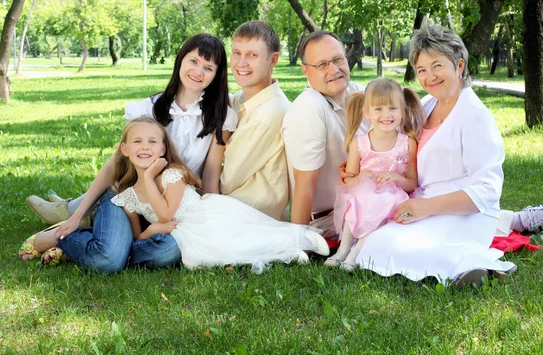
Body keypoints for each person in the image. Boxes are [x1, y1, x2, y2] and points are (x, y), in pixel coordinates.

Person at [355, 25, 543, 286]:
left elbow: (486, 190)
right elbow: (392, 141)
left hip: (464, 213)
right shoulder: (427, 104)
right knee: (375, 244)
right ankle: (513, 221)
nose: (429, 76)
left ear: (459, 65)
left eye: (437, 66)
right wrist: (357, 163)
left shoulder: (475, 116)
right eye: (421, 70)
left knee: (398, 248)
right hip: (422, 204)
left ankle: (475, 266)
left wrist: (425, 208)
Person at [19, 34, 237, 272]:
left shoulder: (221, 117)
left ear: (217, 75)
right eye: (193, 61)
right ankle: (57, 237)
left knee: (168, 251)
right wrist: (76, 214)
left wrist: (214, 219)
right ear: (181, 60)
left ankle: (95, 240)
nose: (198, 71)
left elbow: (210, 175)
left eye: (208, 67)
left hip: (170, 208)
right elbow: (115, 164)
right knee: (108, 261)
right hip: (128, 200)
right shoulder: (147, 108)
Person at [108, 118, 328, 272]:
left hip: (207, 217)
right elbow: (138, 238)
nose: (144, 147)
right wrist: (153, 229)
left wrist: (147, 178)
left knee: (244, 240)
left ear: (163, 149)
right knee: (225, 254)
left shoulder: (171, 175)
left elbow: (165, 215)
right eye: (137, 141)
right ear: (125, 149)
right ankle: (286, 255)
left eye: (152, 142)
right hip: (184, 234)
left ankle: (299, 239)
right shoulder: (129, 197)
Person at [325, 78, 424, 271]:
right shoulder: (359, 143)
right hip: (364, 194)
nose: (386, 115)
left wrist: (395, 177)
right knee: (358, 201)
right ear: (367, 112)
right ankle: (343, 250)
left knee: (381, 204)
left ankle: (355, 253)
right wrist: (360, 178)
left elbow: (412, 183)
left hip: (393, 198)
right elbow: (349, 179)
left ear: (403, 111)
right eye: (378, 109)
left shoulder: (407, 143)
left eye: (392, 108)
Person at [282, 31, 370, 238]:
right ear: (305, 70)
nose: (334, 69)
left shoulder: (358, 93)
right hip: (328, 221)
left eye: (338, 59)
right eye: (322, 65)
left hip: (362, 204)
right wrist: (301, 242)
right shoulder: (309, 107)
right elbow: (304, 184)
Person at [219, 21, 290, 220]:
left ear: (273, 59)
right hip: (236, 204)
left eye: (252, 55)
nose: (241, 63)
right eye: (236, 53)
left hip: (249, 213)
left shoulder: (268, 113)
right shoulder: (242, 99)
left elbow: (228, 180)